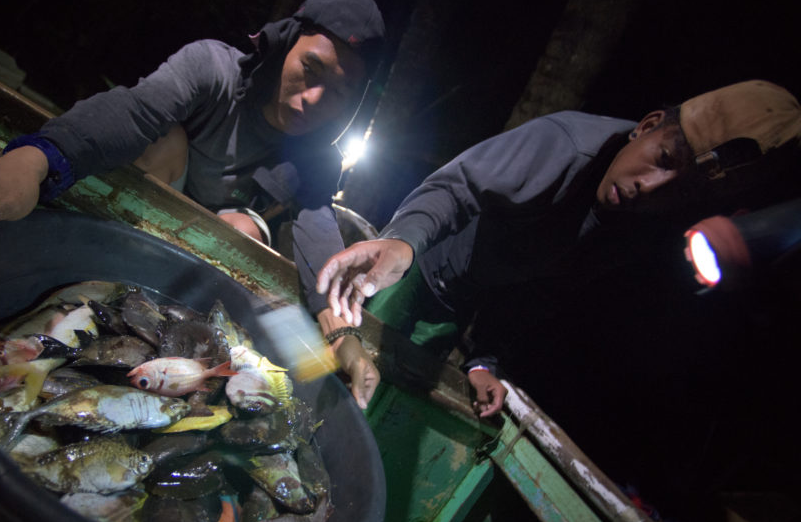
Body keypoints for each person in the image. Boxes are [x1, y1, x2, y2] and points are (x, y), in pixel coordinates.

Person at [0, 0, 385, 408]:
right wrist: (34, 162)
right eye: (311, 68)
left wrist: (343, 333)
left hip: (211, 243)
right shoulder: (212, 68)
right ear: (283, 45)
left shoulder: (316, 155)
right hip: (152, 209)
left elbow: (318, 233)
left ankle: (165, 339)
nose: (314, 100)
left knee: (246, 230)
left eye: (339, 93)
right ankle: (104, 281)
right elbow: (132, 113)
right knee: (164, 140)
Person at [315, 80, 801, 417]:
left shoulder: (638, 228)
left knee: (384, 404)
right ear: (648, 125)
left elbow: (540, 289)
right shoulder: (567, 145)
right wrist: (402, 243)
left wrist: (486, 360)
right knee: (335, 378)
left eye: (681, 190)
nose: (650, 188)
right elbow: (457, 188)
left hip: (460, 308)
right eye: (662, 159)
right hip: (416, 274)